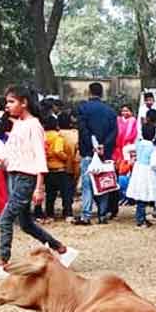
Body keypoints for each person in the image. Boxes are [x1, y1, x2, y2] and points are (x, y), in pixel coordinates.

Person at [0, 86, 77, 283]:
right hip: (15, 175)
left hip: (27, 178)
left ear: (24, 102)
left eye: (11, 102)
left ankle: (3, 263)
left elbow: (39, 157)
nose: (7, 106)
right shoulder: (18, 125)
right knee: (26, 223)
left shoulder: (34, 126)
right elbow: (10, 153)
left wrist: (39, 186)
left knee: (6, 218)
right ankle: (62, 249)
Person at [74, 82, 117, 225]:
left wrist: (92, 145)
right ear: (102, 93)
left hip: (88, 151)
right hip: (105, 152)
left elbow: (83, 129)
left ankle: (86, 214)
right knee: (103, 181)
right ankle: (102, 214)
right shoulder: (110, 111)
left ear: (89, 92)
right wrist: (104, 145)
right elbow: (113, 132)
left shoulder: (83, 108)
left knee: (87, 184)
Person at [126, 124, 156, 228]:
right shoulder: (152, 147)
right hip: (147, 171)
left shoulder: (138, 144)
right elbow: (154, 163)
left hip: (138, 169)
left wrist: (129, 159)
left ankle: (141, 218)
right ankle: (140, 220)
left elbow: (127, 148)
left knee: (140, 194)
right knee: (144, 195)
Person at [43, 116, 71, 221]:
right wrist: (66, 157)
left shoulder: (44, 136)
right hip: (59, 168)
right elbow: (58, 151)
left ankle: (49, 214)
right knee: (65, 193)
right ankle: (68, 213)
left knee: (50, 194)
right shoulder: (58, 137)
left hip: (48, 168)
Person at [57, 111, 80, 221]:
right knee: (68, 191)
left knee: (51, 192)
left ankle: (49, 211)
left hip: (54, 167)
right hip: (70, 166)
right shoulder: (75, 135)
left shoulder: (56, 134)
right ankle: (68, 211)